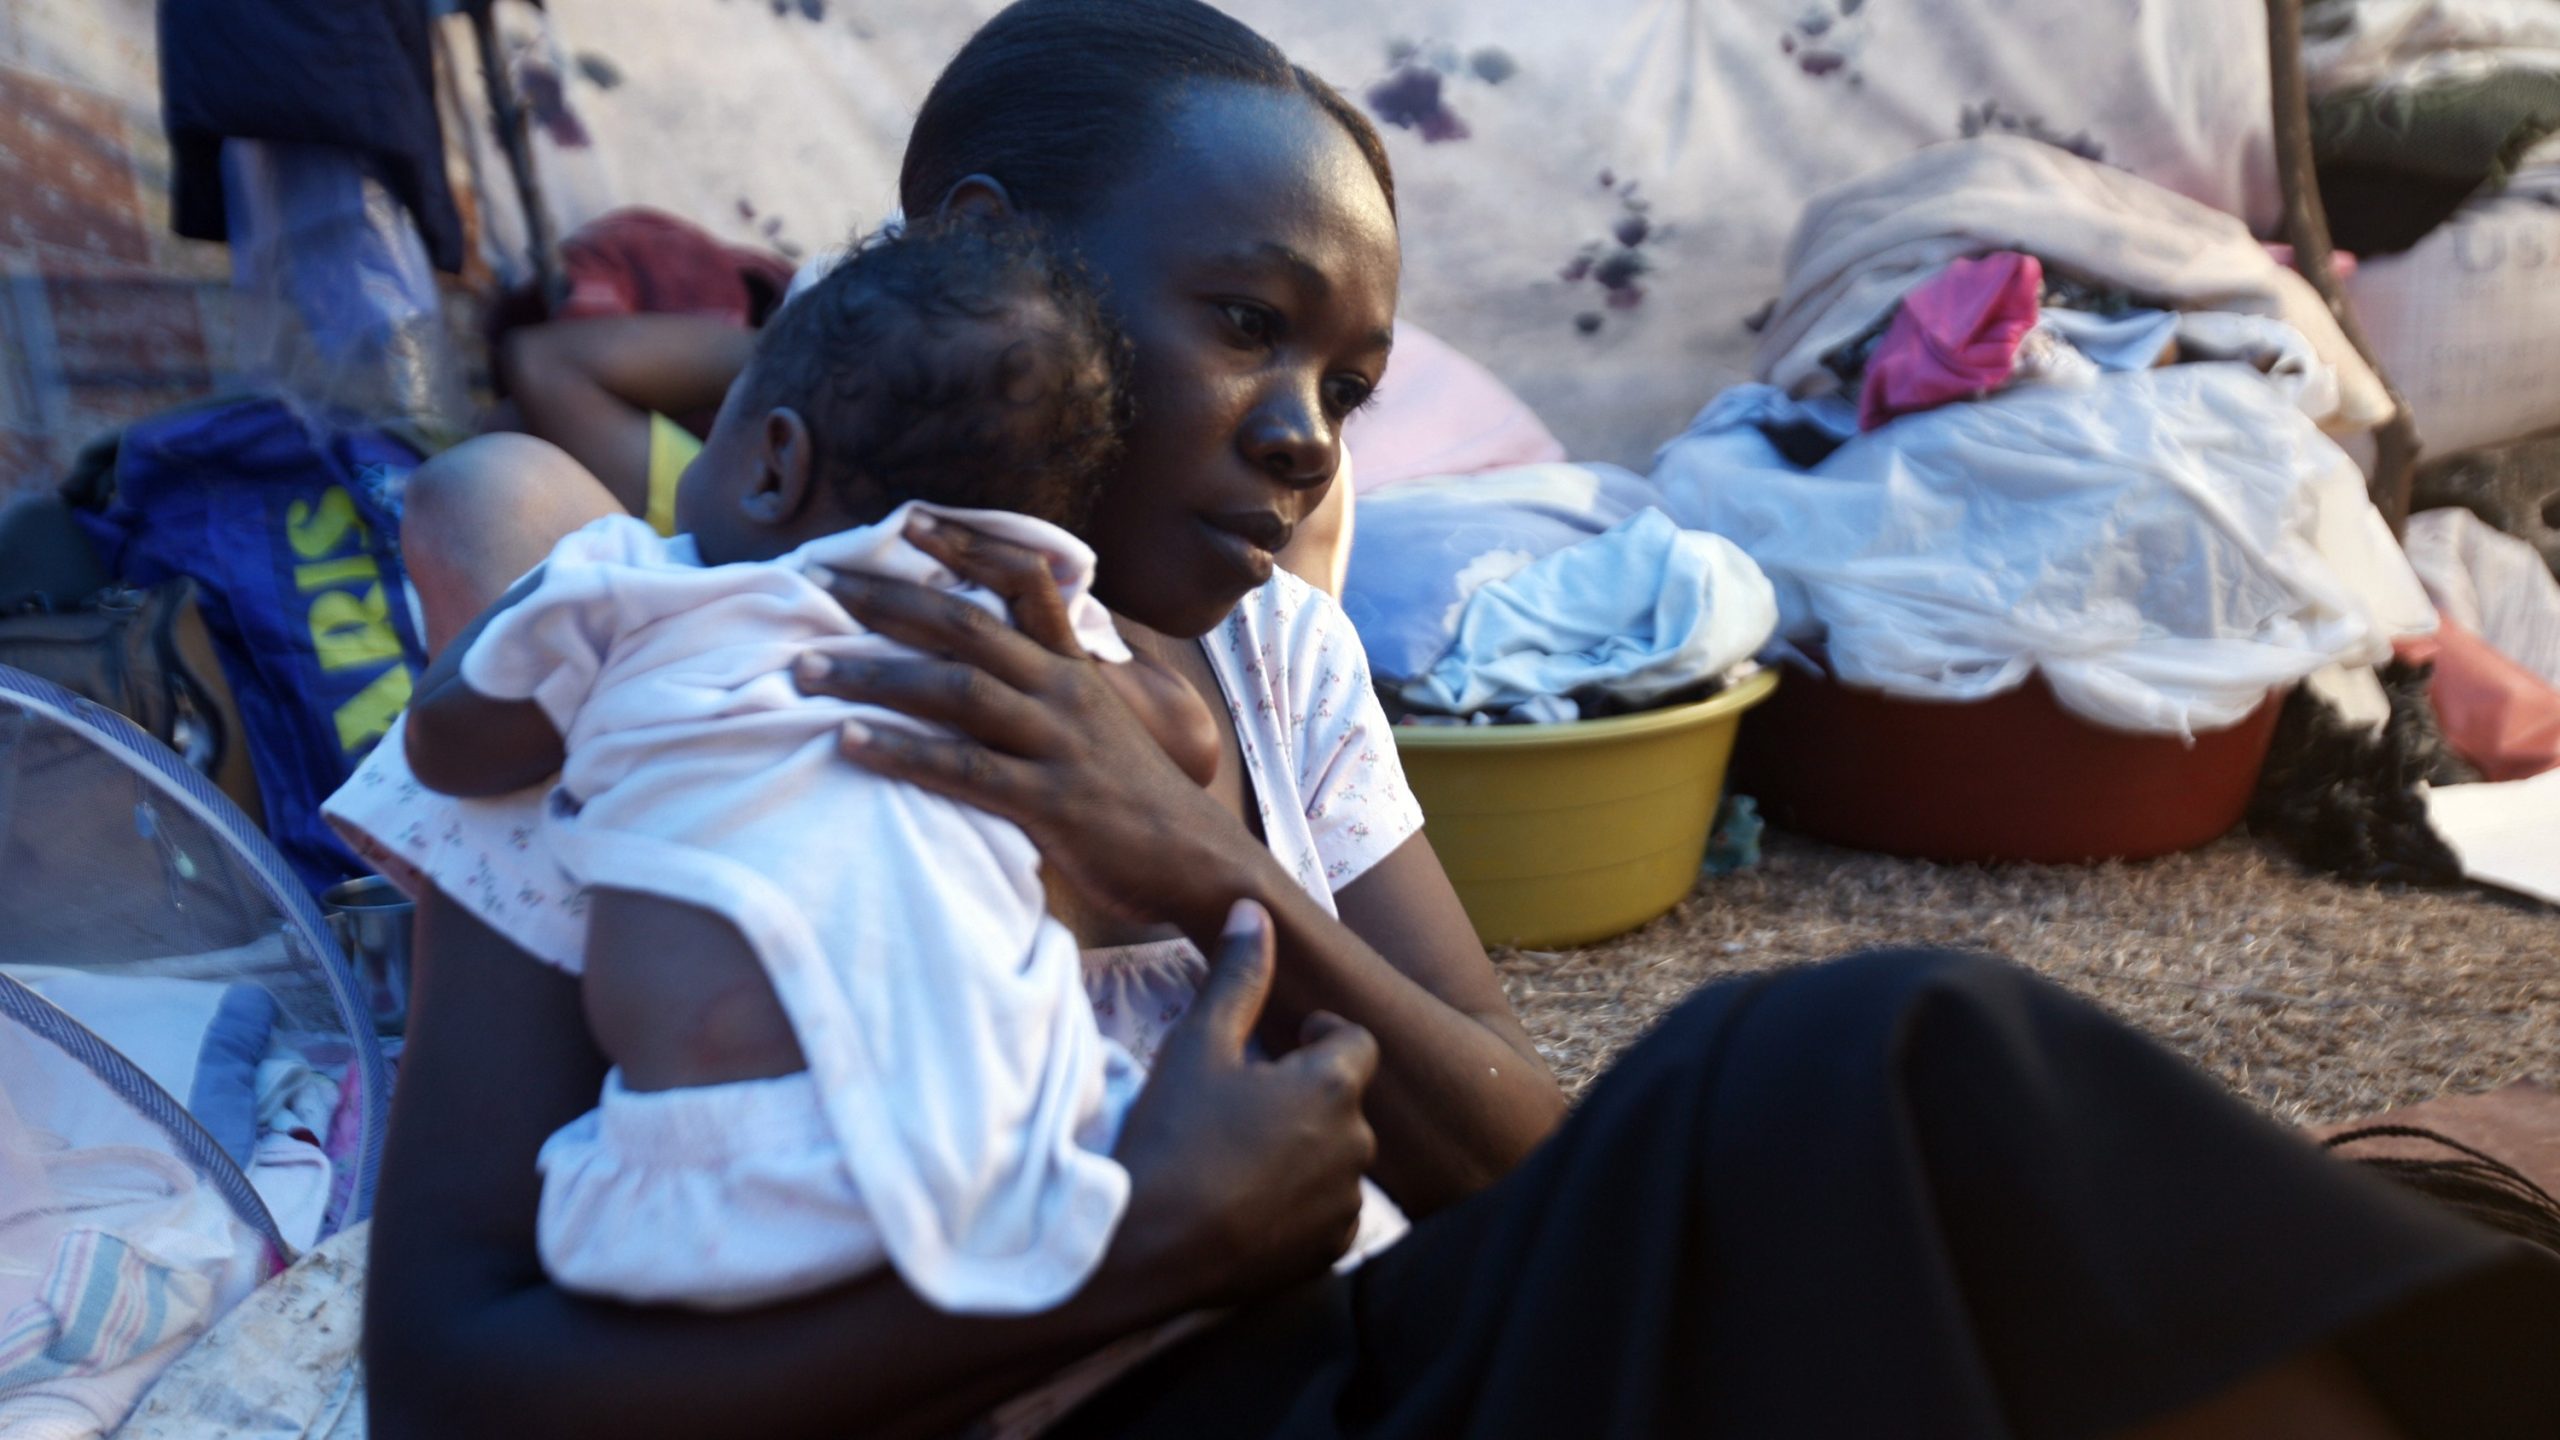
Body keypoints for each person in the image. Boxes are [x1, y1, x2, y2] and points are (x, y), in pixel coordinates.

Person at [343, 2, 2560, 1437]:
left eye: (1349, 385)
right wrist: (1130, 1254)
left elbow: (1520, 1157)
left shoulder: (1274, 665)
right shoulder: (656, 686)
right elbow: (449, 1380)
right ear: (995, 253)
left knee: (1885, 1062)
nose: (1306, 437)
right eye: (1244, 325)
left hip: (1371, 1365)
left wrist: (1198, 868)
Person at [399, 221, 1257, 1318]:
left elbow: (446, 747)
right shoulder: (1014, 617)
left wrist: (537, 618)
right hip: (997, 1112)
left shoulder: (634, 588)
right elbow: (1186, 744)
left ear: (772, 462)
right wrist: (1072, 672)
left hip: (713, 1158)